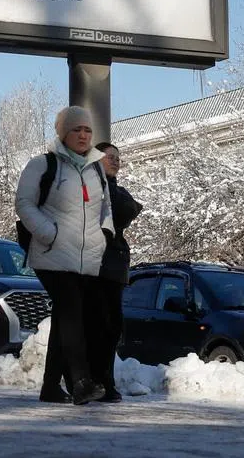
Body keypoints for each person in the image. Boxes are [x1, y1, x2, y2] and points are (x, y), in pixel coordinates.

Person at [16, 106, 113, 406]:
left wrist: (105, 234)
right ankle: (80, 380)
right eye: (76, 130)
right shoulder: (42, 164)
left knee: (66, 316)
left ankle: (50, 386)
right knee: (71, 311)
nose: (83, 135)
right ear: (63, 133)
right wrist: (49, 233)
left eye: (87, 130)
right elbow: (24, 203)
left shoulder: (97, 167)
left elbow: (105, 207)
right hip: (51, 253)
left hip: (86, 256)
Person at [92, 142, 143, 403]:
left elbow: (129, 209)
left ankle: (104, 380)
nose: (115, 161)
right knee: (100, 327)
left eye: (118, 158)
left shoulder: (115, 189)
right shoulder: (93, 187)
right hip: (96, 267)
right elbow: (123, 210)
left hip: (114, 267)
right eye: (109, 157)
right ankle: (97, 381)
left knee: (112, 328)